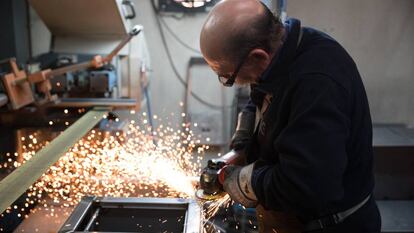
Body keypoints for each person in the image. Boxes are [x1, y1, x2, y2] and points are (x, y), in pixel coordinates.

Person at [199, 0, 381, 232]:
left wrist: (242, 181)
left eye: (228, 77)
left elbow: (305, 187)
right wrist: (241, 147)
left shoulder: (318, 83)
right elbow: (259, 96)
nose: (229, 83)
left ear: (258, 57)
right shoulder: (284, 49)